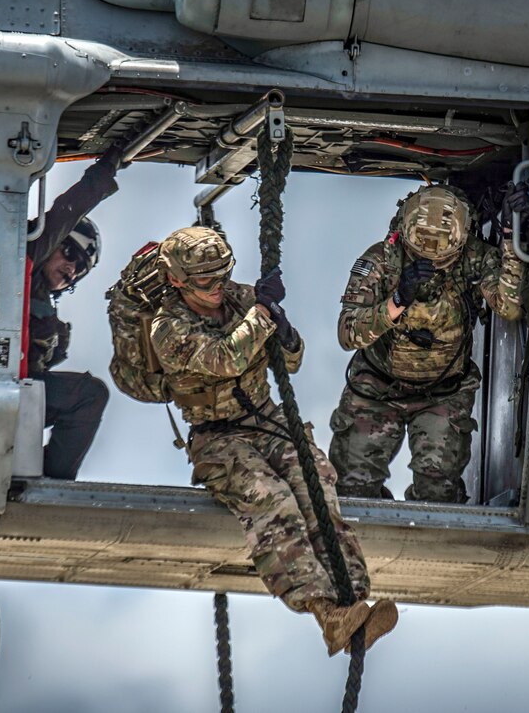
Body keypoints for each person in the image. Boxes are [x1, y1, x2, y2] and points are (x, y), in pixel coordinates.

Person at [149, 226, 397, 656]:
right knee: (271, 497)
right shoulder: (168, 328)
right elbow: (226, 358)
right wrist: (262, 314)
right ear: (178, 280)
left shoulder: (242, 300)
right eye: (206, 280)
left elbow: (293, 361)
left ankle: (353, 597)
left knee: (317, 483)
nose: (217, 287)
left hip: (268, 422)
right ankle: (326, 612)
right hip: (219, 438)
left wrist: (285, 333)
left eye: (222, 275)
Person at [329, 183, 529, 502]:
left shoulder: (475, 257)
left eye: (445, 259)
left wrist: (509, 236)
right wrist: (396, 301)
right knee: (352, 491)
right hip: (378, 390)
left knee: (438, 494)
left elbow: (509, 306)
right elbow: (348, 333)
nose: (435, 264)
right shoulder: (381, 260)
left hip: (443, 394)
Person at [26, 144, 124, 480]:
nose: (71, 268)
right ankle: (52, 478)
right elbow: (66, 212)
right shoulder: (22, 261)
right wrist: (104, 172)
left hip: (11, 392)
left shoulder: (52, 327)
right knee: (88, 394)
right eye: (68, 252)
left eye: (80, 268)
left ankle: (31, 472)